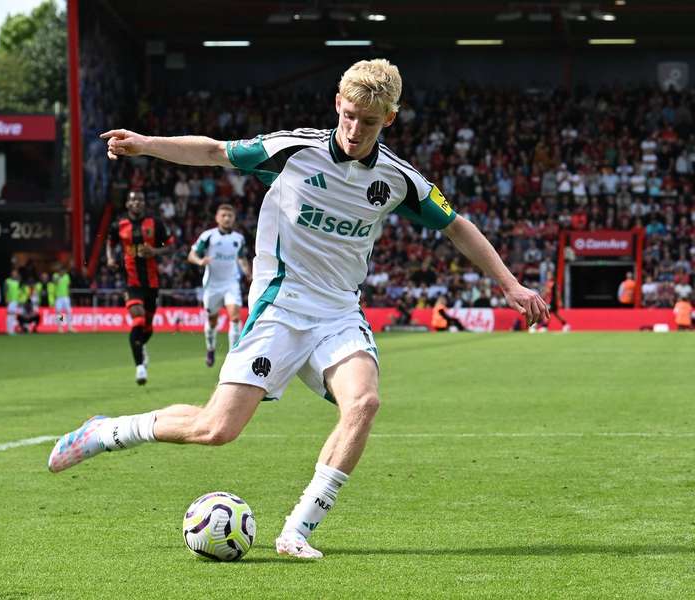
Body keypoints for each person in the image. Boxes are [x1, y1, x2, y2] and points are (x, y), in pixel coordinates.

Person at [50, 59, 547, 560]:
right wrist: (148, 145)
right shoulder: (295, 150)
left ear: (389, 119)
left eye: (369, 121)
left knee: (364, 403)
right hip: (280, 308)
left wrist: (509, 286)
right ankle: (108, 431)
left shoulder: (399, 180)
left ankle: (298, 530)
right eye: (349, 115)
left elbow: (456, 224)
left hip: (338, 314)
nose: (355, 129)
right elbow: (216, 152)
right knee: (215, 430)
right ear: (337, 103)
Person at [105, 190, 174, 384]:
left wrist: (155, 250)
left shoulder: (155, 223)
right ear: (127, 204)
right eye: (133, 200)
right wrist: (110, 257)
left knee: (148, 327)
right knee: (137, 319)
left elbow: (171, 245)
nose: (136, 203)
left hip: (151, 282)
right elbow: (109, 241)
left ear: (144, 204)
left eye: (140, 200)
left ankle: (140, 346)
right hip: (131, 281)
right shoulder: (119, 224)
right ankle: (140, 367)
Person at [188, 204, 251, 366]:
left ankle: (233, 356)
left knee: (235, 317)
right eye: (223, 215)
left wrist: (248, 272)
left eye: (230, 216)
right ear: (217, 218)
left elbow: (242, 258)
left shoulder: (239, 238)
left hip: (231, 283)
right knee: (212, 320)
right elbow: (191, 255)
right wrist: (200, 261)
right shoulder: (208, 236)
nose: (227, 218)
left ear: (234, 218)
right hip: (212, 285)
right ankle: (210, 348)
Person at [52, 265, 75, 333]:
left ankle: (70, 327)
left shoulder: (67, 276)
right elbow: (54, 282)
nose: (63, 272)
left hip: (66, 297)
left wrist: (70, 295)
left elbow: (68, 285)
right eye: (61, 270)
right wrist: (59, 276)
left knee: (69, 311)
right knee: (59, 312)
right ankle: (60, 327)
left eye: (63, 271)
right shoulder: (55, 275)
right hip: (58, 297)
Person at [4, 269, 21, 335]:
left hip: (16, 300)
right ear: (11, 274)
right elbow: (5, 290)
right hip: (10, 300)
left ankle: (12, 330)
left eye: (15, 273)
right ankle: (9, 330)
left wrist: (19, 300)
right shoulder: (8, 281)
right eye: (13, 273)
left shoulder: (17, 281)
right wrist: (6, 299)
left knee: (13, 316)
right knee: (10, 315)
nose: (14, 274)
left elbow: (18, 291)